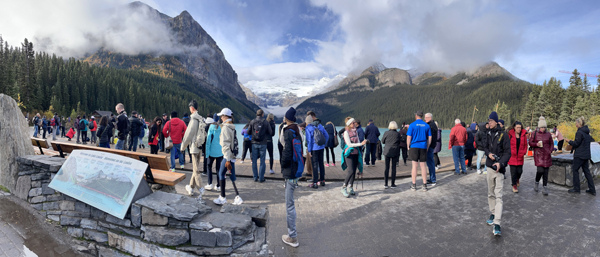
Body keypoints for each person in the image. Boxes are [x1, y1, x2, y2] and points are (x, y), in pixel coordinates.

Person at [483, 111, 510, 236]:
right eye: (488, 121)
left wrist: (501, 163)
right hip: (489, 167)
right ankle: (493, 213)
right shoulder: (488, 134)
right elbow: (485, 147)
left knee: (498, 195)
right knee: (490, 193)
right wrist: (488, 154)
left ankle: (497, 223)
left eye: (491, 121)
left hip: (499, 169)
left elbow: (507, 153)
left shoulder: (503, 135)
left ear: (496, 121)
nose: (489, 122)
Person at [280, 107, 302, 248]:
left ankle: (292, 237)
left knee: (289, 205)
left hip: (290, 171)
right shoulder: (297, 131)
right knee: (290, 203)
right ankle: (292, 234)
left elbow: (287, 153)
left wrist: (282, 166)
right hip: (297, 169)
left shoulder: (288, 132)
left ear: (286, 118)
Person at [213, 108, 243, 205]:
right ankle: (237, 197)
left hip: (227, 156)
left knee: (221, 174)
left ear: (226, 116)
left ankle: (223, 197)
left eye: (222, 116)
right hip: (232, 155)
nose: (221, 118)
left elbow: (225, 144)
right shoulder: (232, 127)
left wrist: (227, 159)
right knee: (231, 175)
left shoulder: (226, 127)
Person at [181, 100, 207, 197]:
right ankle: (191, 187)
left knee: (196, 170)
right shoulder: (201, 118)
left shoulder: (193, 119)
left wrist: (183, 147)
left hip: (194, 147)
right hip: (200, 146)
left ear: (192, 108)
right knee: (195, 168)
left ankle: (201, 188)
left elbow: (188, 134)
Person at [567, 117, 596, 196]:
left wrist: (569, 141)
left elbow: (576, 143)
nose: (575, 124)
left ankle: (576, 188)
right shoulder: (587, 132)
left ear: (579, 124)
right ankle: (592, 189)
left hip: (579, 155)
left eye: (576, 123)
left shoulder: (579, 132)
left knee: (575, 170)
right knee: (587, 172)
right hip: (586, 155)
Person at [340, 117, 368, 197]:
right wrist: (360, 144)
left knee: (354, 170)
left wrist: (363, 144)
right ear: (349, 124)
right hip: (349, 153)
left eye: (354, 122)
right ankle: (344, 187)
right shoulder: (346, 132)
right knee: (351, 171)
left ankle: (350, 187)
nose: (354, 124)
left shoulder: (355, 132)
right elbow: (349, 144)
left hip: (356, 153)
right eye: (353, 123)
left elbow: (359, 141)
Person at [407, 111, 432, 191]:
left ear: (416, 116)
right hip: (423, 146)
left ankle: (414, 185)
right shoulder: (426, 125)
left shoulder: (412, 125)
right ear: (422, 116)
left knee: (414, 166)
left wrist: (408, 145)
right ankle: (424, 185)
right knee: (423, 166)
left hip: (414, 146)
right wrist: (427, 146)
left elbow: (409, 137)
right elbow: (430, 137)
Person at [528, 117, 553, 195]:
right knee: (540, 170)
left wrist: (550, 150)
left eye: (544, 127)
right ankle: (536, 182)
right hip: (538, 155)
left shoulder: (548, 134)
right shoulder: (534, 133)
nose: (543, 128)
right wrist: (536, 144)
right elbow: (530, 143)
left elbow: (551, 143)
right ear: (539, 127)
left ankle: (545, 187)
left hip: (547, 155)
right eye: (542, 127)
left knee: (546, 172)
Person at [305, 115, 329, 188]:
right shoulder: (320, 126)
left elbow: (309, 140)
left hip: (314, 149)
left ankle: (315, 182)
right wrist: (324, 145)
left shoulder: (308, 128)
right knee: (321, 164)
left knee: (314, 165)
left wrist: (309, 151)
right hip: (321, 148)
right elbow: (327, 136)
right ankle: (322, 180)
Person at [250, 109, 273, 182]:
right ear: (262, 114)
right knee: (262, 161)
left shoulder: (252, 121)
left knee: (254, 161)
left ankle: (255, 177)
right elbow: (271, 132)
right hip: (263, 143)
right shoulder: (265, 122)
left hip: (254, 143)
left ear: (256, 114)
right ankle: (261, 178)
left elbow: (248, 131)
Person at [508, 121, 528, 193]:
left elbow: (526, 145)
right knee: (513, 172)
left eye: (520, 127)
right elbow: (507, 144)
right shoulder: (510, 134)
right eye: (517, 127)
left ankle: (517, 179)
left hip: (520, 157)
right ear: (514, 128)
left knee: (520, 171)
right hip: (512, 157)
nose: (519, 129)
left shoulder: (523, 135)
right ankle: (514, 185)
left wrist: (524, 152)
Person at [204, 117, 223, 191]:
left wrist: (207, 153)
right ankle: (218, 185)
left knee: (209, 167)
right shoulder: (221, 127)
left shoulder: (211, 127)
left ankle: (210, 183)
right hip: (219, 152)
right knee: (218, 169)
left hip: (211, 152)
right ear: (218, 120)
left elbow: (208, 141)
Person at [382, 121, 401, 189]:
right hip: (395, 151)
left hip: (387, 151)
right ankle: (393, 184)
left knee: (386, 167)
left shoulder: (386, 133)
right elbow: (399, 142)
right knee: (394, 168)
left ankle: (386, 183)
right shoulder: (398, 134)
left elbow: (383, 141)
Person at [424, 113, 438, 186]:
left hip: (430, 146)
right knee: (430, 162)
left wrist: (427, 145)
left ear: (429, 118)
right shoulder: (433, 124)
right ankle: (432, 178)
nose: (424, 119)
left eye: (426, 117)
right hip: (432, 145)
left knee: (430, 162)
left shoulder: (430, 125)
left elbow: (429, 137)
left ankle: (433, 179)